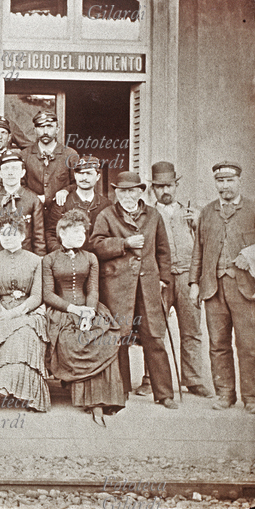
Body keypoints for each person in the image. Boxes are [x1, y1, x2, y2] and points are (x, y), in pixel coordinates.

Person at [89, 171, 177, 409]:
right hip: (117, 285)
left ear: (141, 191)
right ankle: (122, 390)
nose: (127, 195)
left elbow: (163, 252)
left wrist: (164, 281)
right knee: (119, 338)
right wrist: (123, 244)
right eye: (122, 191)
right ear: (116, 192)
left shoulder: (154, 215)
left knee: (154, 337)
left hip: (148, 286)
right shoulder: (107, 215)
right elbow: (95, 245)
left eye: (132, 191)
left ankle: (164, 394)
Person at [190, 161, 255, 413]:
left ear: (239, 181)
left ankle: (252, 397)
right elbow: (198, 250)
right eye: (220, 181)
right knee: (218, 344)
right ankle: (225, 394)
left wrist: (251, 254)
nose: (225, 186)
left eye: (229, 180)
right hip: (212, 288)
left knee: (249, 344)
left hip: (245, 289)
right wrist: (193, 284)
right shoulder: (207, 212)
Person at [134, 162, 212, 398]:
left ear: (176, 186)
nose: (164, 191)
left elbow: (207, 244)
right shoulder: (145, 214)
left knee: (192, 330)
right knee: (154, 330)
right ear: (152, 189)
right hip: (159, 278)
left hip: (188, 277)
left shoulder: (192, 212)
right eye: (159, 187)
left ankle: (193, 379)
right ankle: (151, 379)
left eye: (168, 185)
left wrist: (199, 223)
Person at [43, 210, 125, 425]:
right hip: (62, 312)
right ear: (62, 232)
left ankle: (103, 398)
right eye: (75, 231)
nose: (81, 235)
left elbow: (93, 290)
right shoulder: (49, 259)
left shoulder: (90, 257)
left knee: (103, 336)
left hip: (89, 308)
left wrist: (88, 312)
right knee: (73, 341)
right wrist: (73, 310)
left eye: (83, 231)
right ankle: (85, 398)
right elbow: (48, 294)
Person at [0, 214, 50, 412]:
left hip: (27, 311)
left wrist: (16, 313)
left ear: (22, 235)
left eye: (13, 234)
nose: (7, 238)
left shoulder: (36, 260)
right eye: (3, 234)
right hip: (0, 310)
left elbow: (37, 296)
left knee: (25, 334)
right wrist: (2, 312)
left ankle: (27, 393)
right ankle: (2, 388)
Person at [0, 149, 45, 256]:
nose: (10, 173)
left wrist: (40, 256)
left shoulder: (33, 199)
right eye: (6, 169)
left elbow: (39, 235)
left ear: (23, 172)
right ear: (0, 173)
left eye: (15, 168)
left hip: (24, 255)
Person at [46, 156, 112, 253]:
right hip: (69, 260)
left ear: (98, 177)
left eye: (89, 173)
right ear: (75, 175)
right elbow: (51, 233)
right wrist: (63, 253)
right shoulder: (62, 202)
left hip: (99, 261)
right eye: (80, 173)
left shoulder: (107, 204)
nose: (84, 178)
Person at [20, 110, 75, 209]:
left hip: (61, 210)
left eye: (50, 127)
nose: (45, 132)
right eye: (41, 127)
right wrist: (34, 198)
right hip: (33, 209)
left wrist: (66, 190)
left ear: (57, 129)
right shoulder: (24, 155)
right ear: (35, 130)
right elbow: (20, 184)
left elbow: (77, 183)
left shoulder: (70, 154)